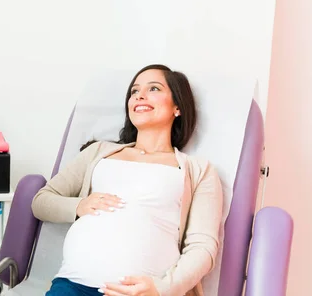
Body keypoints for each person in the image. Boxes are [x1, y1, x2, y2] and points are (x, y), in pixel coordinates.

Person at [32, 64, 223, 296]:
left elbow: (202, 248)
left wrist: (161, 289)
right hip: (72, 285)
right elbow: (41, 201)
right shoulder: (99, 152)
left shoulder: (198, 170)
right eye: (134, 91)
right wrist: (79, 205)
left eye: (154, 88)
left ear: (178, 107)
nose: (140, 95)